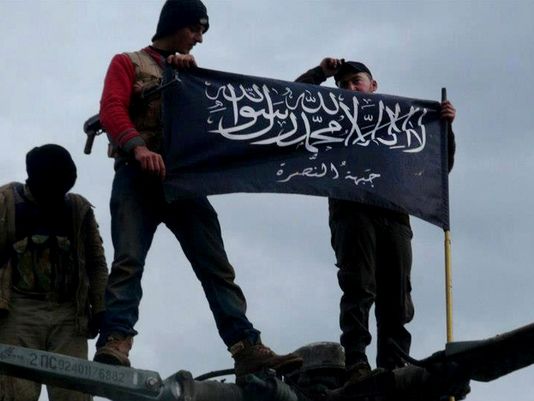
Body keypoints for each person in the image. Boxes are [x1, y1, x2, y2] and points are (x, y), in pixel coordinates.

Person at [94, 0, 302, 378]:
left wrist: (188, 79)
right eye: (196, 29)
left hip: (184, 181)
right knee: (128, 261)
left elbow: (219, 121)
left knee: (215, 266)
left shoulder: (190, 71)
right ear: (176, 25)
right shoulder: (127, 62)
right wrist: (137, 147)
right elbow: (111, 109)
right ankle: (115, 342)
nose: (199, 39)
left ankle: (246, 346)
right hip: (136, 177)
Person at [296, 59, 456, 382]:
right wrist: (321, 74)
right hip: (351, 214)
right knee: (359, 288)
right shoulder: (330, 122)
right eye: (343, 86)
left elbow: (438, 168)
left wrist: (446, 127)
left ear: (373, 85)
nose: (351, 89)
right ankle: (356, 364)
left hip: (394, 216)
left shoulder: (398, 125)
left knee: (396, 298)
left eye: (357, 81)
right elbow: (292, 100)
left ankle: (393, 368)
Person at [0, 144, 108, 401]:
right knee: (15, 393)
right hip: (18, 310)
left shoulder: (78, 209)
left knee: (74, 394)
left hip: (68, 314)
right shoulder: (6, 203)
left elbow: (96, 263)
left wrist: (103, 308)